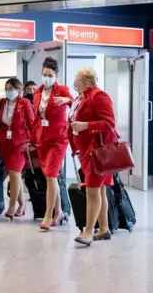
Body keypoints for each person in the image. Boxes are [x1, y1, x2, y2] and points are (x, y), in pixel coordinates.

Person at [68, 67, 118, 246]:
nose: (74, 81)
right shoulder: (80, 98)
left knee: (92, 190)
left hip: (97, 152)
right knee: (100, 189)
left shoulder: (99, 96)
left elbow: (109, 123)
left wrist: (86, 126)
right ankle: (103, 228)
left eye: (76, 78)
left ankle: (88, 231)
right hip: (87, 150)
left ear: (82, 80)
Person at [30, 57, 73, 231]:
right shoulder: (38, 93)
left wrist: (65, 100)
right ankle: (60, 212)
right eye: (44, 74)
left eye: (50, 75)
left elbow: (74, 101)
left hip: (58, 139)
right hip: (42, 138)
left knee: (52, 175)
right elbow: (36, 119)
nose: (46, 77)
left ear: (56, 75)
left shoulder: (62, 89)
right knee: (49, 176)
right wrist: (32, 140)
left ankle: (48, 215)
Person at [0, 78, 35, 219]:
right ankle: (22, 204)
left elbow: (32, 123)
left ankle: (12, 205)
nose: (8, 91)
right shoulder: (2, 102)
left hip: (19, 143)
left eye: (11, 88)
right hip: (5, 142)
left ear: (18, 90)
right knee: (14, 175)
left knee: (14, 174)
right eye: (7, 88)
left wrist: (32, 141)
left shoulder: (24, 103)